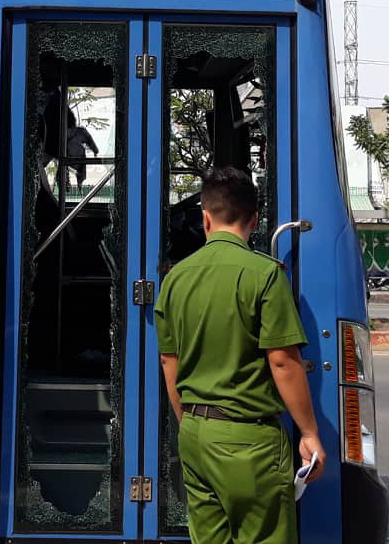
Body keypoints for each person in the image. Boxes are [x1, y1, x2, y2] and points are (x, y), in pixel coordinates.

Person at [155, 166, 323, 544]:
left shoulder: (175, 278)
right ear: (255, 219)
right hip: (250, 443)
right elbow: (282, 361)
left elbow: (170, 362)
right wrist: (309, 433)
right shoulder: (263, 274)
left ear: (205, 217)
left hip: (196, 436)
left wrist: (191, 422)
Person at [64, 112, 99, 190]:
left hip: (67, 158)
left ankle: (67, 183)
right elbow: (90, 140)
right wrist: (95, 151)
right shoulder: (80, 131)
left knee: (63, 168)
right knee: (80, 170)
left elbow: (89, 140)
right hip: (77, 157)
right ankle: (78, 180)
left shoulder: (61, 132)